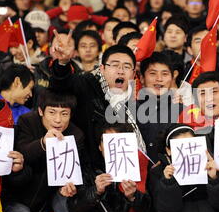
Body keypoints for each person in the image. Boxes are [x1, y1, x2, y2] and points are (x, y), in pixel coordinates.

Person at [48, 34, 146, 171]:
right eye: (114, 65)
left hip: (132, 171)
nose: (120, 71)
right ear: (102, 69)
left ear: (133, 72)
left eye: (126, 66)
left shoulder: (140, 99)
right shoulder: (86, 85)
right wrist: (63, 63)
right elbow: (60, 87)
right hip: (94, 172)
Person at [5, 89, 86, 212]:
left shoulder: (76, 135)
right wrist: (43, 143)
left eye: (64, 114)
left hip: (53, 196)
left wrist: (72, 186)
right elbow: (21, 153)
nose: (58, 120)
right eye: (52, 112)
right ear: (41, 111)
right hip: (18, 198)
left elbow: (78, 170)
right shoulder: (27, 122)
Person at [66, 123, 155, 212]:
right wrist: (95, 191)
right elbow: (73, 208)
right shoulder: (89, 170)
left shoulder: (143, 169)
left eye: (119, 141)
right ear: (100, 146)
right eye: (109, 141)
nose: (114, 146)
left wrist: (133, 196)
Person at [147, 123, 219, 212]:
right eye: (180, 145)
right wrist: (168, 182)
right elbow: (166, 210)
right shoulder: (158, 172)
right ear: (168, 150)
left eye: (191, 143)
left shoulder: (210, 166)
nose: (186, 149)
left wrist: (215, 179)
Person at [137, 52, 183, 164]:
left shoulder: (183, 111)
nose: (159, 79)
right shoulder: (128, 111)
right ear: (142, 78)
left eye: (165, 74)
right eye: (153, 74)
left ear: (172, 78)